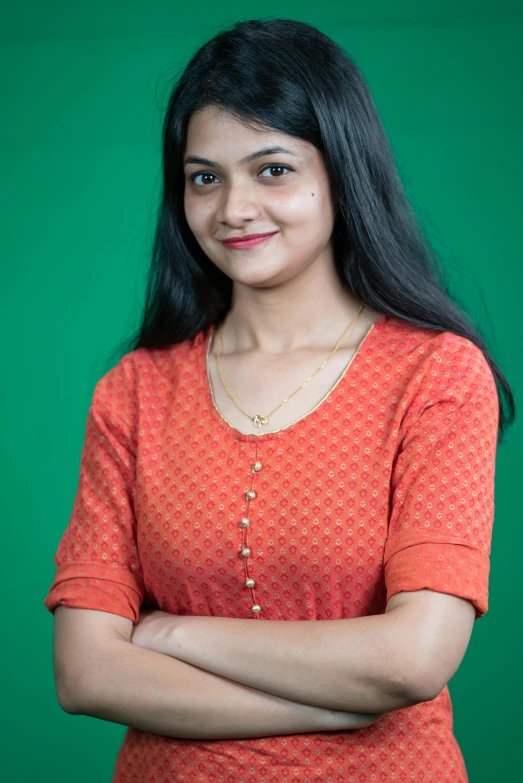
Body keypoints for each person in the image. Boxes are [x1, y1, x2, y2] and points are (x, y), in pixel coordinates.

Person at [43, 17, 514, 783]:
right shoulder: (133, 392)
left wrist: (175, 634)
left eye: (271, 170)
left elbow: (410, 661)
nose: (232, 209)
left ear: (342, 171)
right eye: (205, 177)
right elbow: (85, 673)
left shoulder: (435, 375)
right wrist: (336, 701)